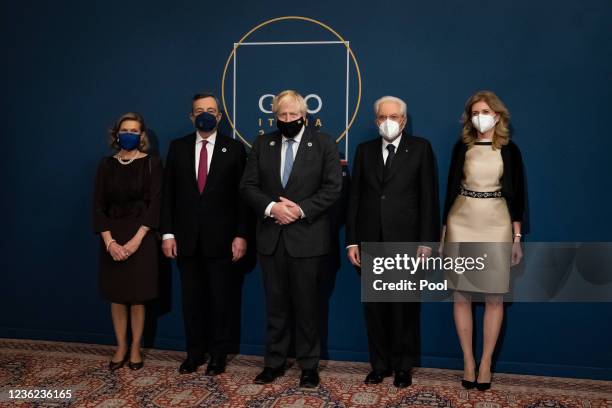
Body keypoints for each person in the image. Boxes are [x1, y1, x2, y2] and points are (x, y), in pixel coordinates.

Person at [240, 90, 342, 388]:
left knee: (308, 306)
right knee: (276, 305)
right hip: (271, 238)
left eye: (293, 115)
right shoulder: (262, 143)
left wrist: (299, 210)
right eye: (282, 115)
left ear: (304, 116)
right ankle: (274, 362)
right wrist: (272, 208)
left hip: (308, 239)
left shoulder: (324, 143)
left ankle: (309, 365)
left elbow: (333, 187)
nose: (287, 120)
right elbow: (247, 186)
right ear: (275, 116)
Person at [345, 96, 439, 388]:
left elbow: (428, 197)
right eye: (383, 117)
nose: (388, 122)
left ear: (404, 120)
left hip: (407, 241)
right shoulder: (364, 151)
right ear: (376, 121)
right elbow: (355, 198)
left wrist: (426, 241)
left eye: (394, 117)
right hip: (370, 240)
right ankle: (379, 365)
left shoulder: (421, 148)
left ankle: (403, 367)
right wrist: (351, 242)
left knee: (403, 308)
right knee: (375, 309)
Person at [441, 90, 525, 391]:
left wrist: (516, 237)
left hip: (496, 222)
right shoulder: (461, 148)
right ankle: (468, 361)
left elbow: (518, 195)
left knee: (493, 296)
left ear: (498, 115)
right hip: (461, 221)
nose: (480, 117)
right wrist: (443, 234)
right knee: (461, 295)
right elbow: (450, 189)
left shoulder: (510, 150)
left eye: (485, 111)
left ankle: (486, 362)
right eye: (475, 112)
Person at [160, 92, 248, 376]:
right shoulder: (178, 147)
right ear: (191, 116)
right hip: (186, 240)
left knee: (221, 301)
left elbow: (242, 198)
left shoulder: (234, 149)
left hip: (222, 240)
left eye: (211, 110)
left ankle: (218, 356)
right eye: (200, 110)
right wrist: (167, 234)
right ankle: (194, 353)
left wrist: (241, 235)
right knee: (192, 302)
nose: (206, 114)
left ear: (220, 117)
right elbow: (168, 195)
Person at [92, 112, 162, 371]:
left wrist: (135, 241)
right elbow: (98, 206)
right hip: (112, 236)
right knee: (117, 296)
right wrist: (109, 242)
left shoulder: (152, 163)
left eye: (134, 130)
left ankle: (135, 348)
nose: (128, 134)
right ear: (116, 134)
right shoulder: (105, 165)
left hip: (141, 237)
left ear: (141, 135)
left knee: (137, 296)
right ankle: (121, 345)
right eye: (124, 130)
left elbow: (155, 205)